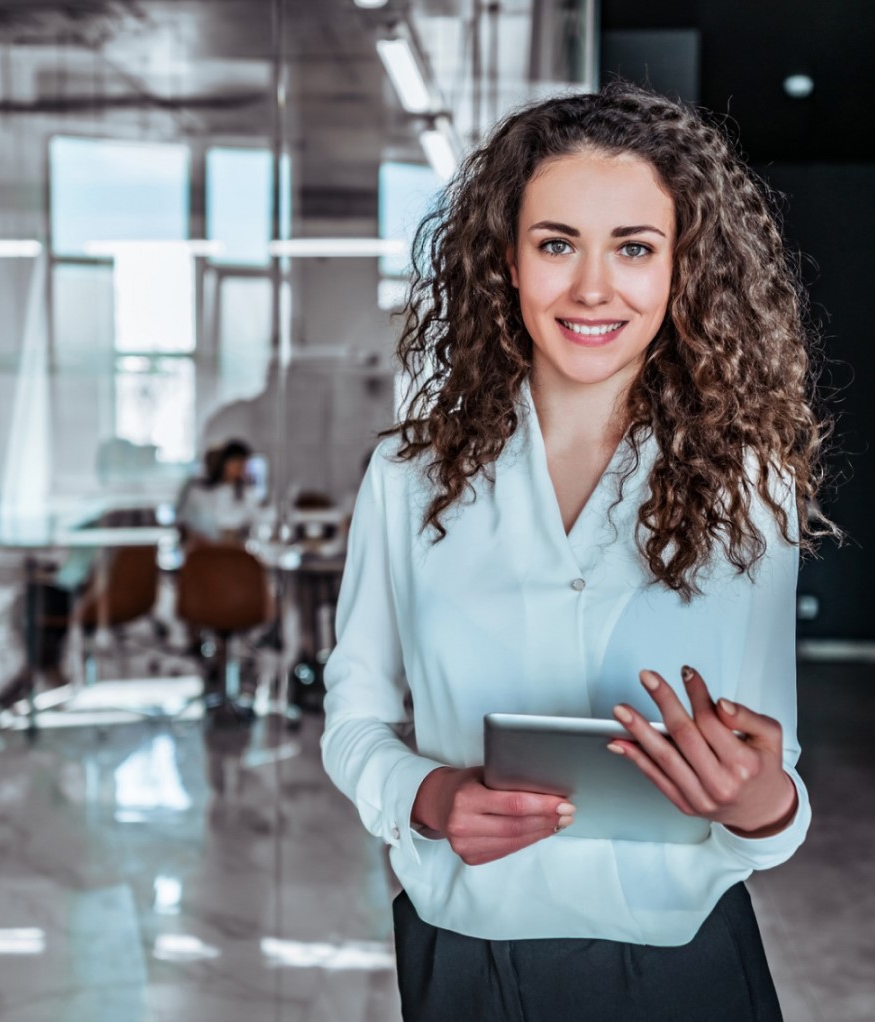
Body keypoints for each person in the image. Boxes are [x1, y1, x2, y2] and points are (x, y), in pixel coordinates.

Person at [320, 82, 838, 1020]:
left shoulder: (749, 487)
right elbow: (354, 716)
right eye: (556, 244)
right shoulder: (407, 475)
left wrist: (760, 799)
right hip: (470, 966)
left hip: (686, 971)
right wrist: (428, 796)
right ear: (506, 265)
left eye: (634, 249)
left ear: (683, 271)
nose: (592, 288)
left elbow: (775, 777)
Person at [175, 438, 265, 546]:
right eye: (236, 462)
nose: (239, 468)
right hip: (202, 549)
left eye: (243, 464)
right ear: (224, 462)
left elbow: (257, 520)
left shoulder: (246, 493)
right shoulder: (198, 491)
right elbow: (184, 521)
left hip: (235, 549)